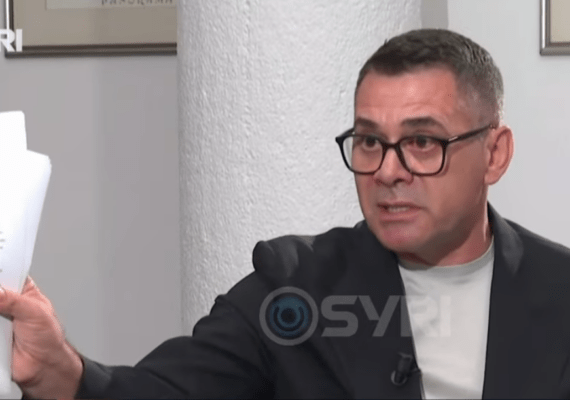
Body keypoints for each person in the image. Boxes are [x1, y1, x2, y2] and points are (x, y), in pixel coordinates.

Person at [3, 28, 570, 399]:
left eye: (422, 142)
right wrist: (60, 372)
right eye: (369, 142)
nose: (387, 171)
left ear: (494, 154)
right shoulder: (294, 286)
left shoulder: (560, 290)